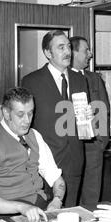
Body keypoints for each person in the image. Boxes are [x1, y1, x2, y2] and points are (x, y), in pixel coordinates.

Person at [0, 87, 65, 222]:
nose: (27, 121)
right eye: (20, 115)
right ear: (6, 113)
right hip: (7, 214)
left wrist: (57, 201)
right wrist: (22, 207)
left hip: (39, 206)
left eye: (30, 113)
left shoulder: (35, 136)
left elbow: (57, 179)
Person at [22, 30, 90, 207]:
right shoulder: (31, 82)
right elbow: (25, 125)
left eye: (69, 46)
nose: (67, 51)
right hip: (44, 163)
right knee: (43, 217)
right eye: (61, 47)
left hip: (74, 161)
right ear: (47, 53)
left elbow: (83, 121)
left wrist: (89, 122)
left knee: (69, 217)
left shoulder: (79, 80)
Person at [70, 36, 110, 210]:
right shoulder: (63, 78)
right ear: (73, 52)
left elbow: (104, 110)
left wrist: (102, 141)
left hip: (93, 147)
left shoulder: (94, 79)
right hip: (70, 148)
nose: (90, 54)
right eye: (86, 50)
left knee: (91, 197)